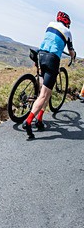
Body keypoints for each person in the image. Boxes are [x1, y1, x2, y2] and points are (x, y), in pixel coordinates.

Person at [24, 11, 76, 139]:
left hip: (41, 55)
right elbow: (71, 50)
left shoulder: (50, 24)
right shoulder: (68, 32)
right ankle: (29, 121)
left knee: (46, 89)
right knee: (44, 95)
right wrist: (73, 56)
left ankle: (40, 119)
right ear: (67, 23)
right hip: (53, 59)